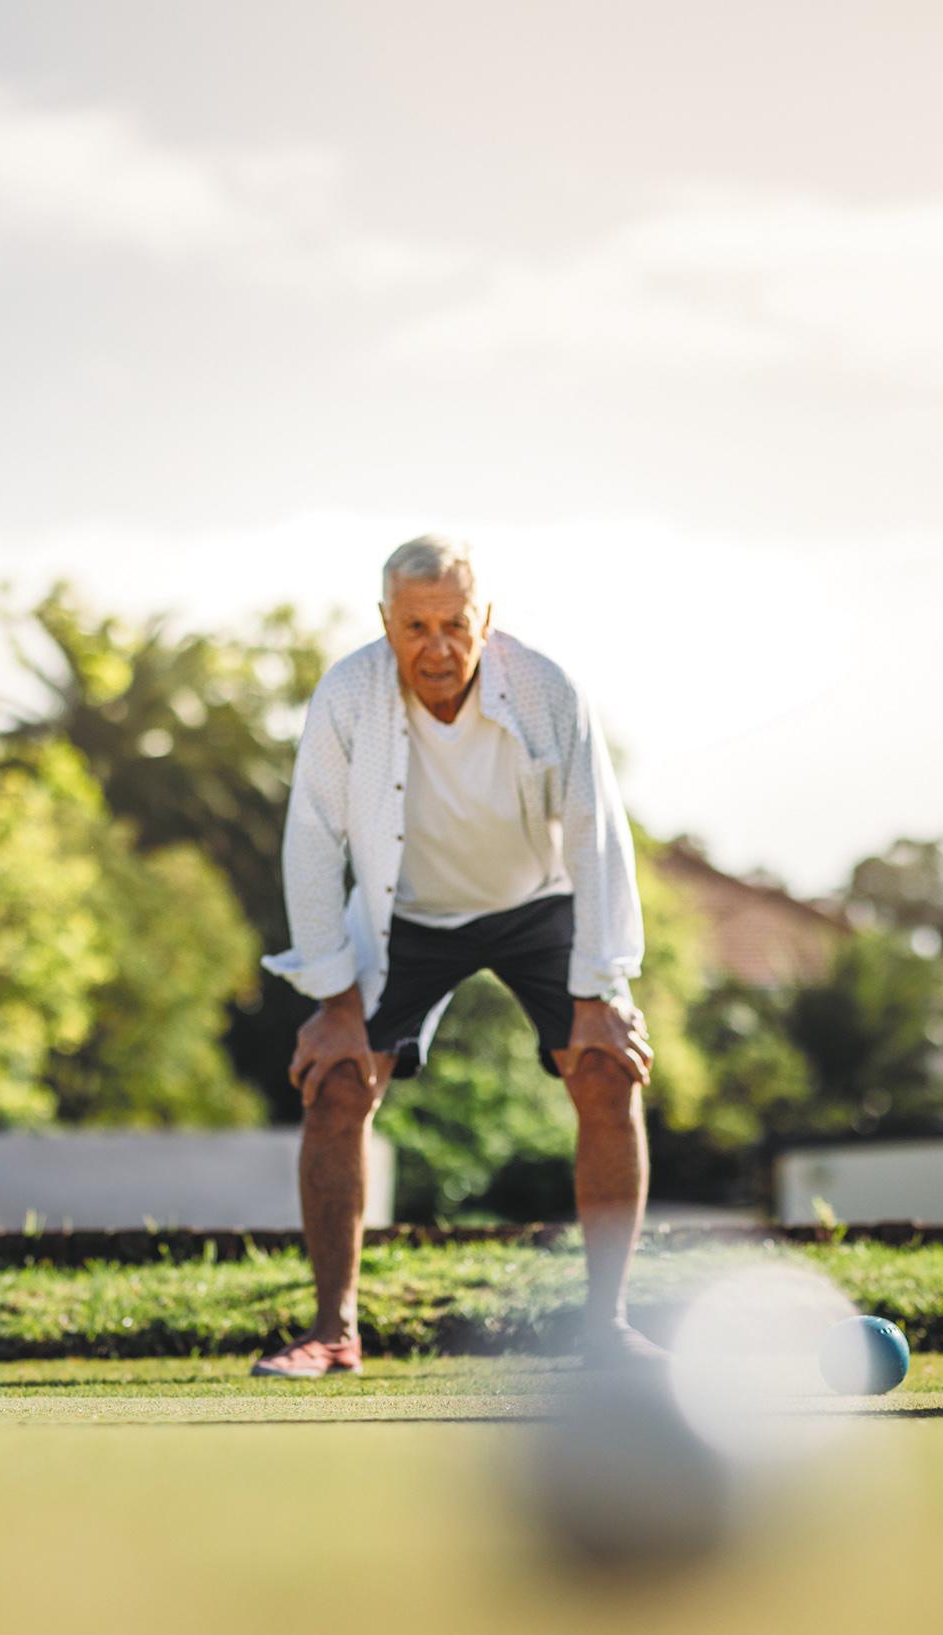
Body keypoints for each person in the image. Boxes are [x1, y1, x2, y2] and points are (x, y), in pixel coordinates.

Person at [256, 534, 656, 1375]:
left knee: (604, 1066)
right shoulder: (347, 694)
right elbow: (312, 840)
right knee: (334, 1083)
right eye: (414, 625)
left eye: (454, 624)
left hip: (535, 902)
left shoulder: (547, 689)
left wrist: (600, 986)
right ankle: (334, 1332)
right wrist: (334, 1002)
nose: (435, 647)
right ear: (384, 622)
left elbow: (596, 833)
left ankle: (607, 1328)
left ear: (487, 620)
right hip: (406, 915)